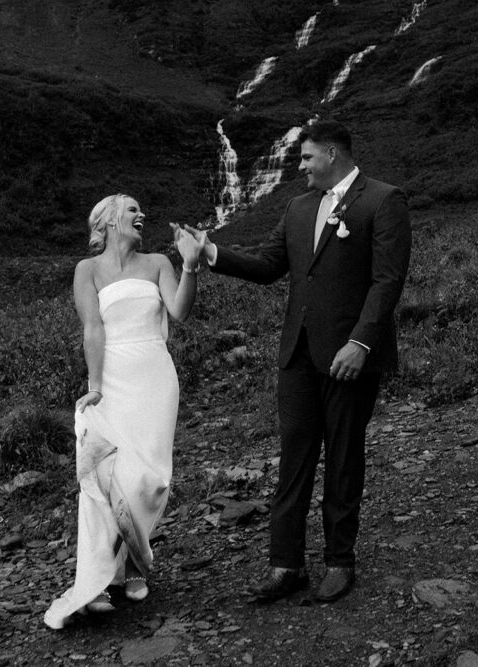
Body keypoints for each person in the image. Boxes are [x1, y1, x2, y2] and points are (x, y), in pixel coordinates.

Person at [182, 120, 411, 603]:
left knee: (345, 457)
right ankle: (286, 565)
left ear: (331, 153)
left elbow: (386, 282)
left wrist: (362, 343)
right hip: (298, 356)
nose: (301, 166)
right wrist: (211, 252)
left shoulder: (383, 200)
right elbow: (268, 265)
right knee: (294, 457)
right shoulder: (298, 206)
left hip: (350, 355)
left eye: (307, 158)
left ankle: (339, 562)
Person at [44, 193, 202, 630]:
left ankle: (133, 564)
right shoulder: (87, 270)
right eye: (132, 209)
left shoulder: (157, 263)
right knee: (105, 475)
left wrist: (189, 265)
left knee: (149, 478)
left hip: (154, 376)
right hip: (112, 378)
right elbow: (93, 329)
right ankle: (103, 579)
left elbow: (180, 311)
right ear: (110, 219)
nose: (141, 215)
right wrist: (95, 387)